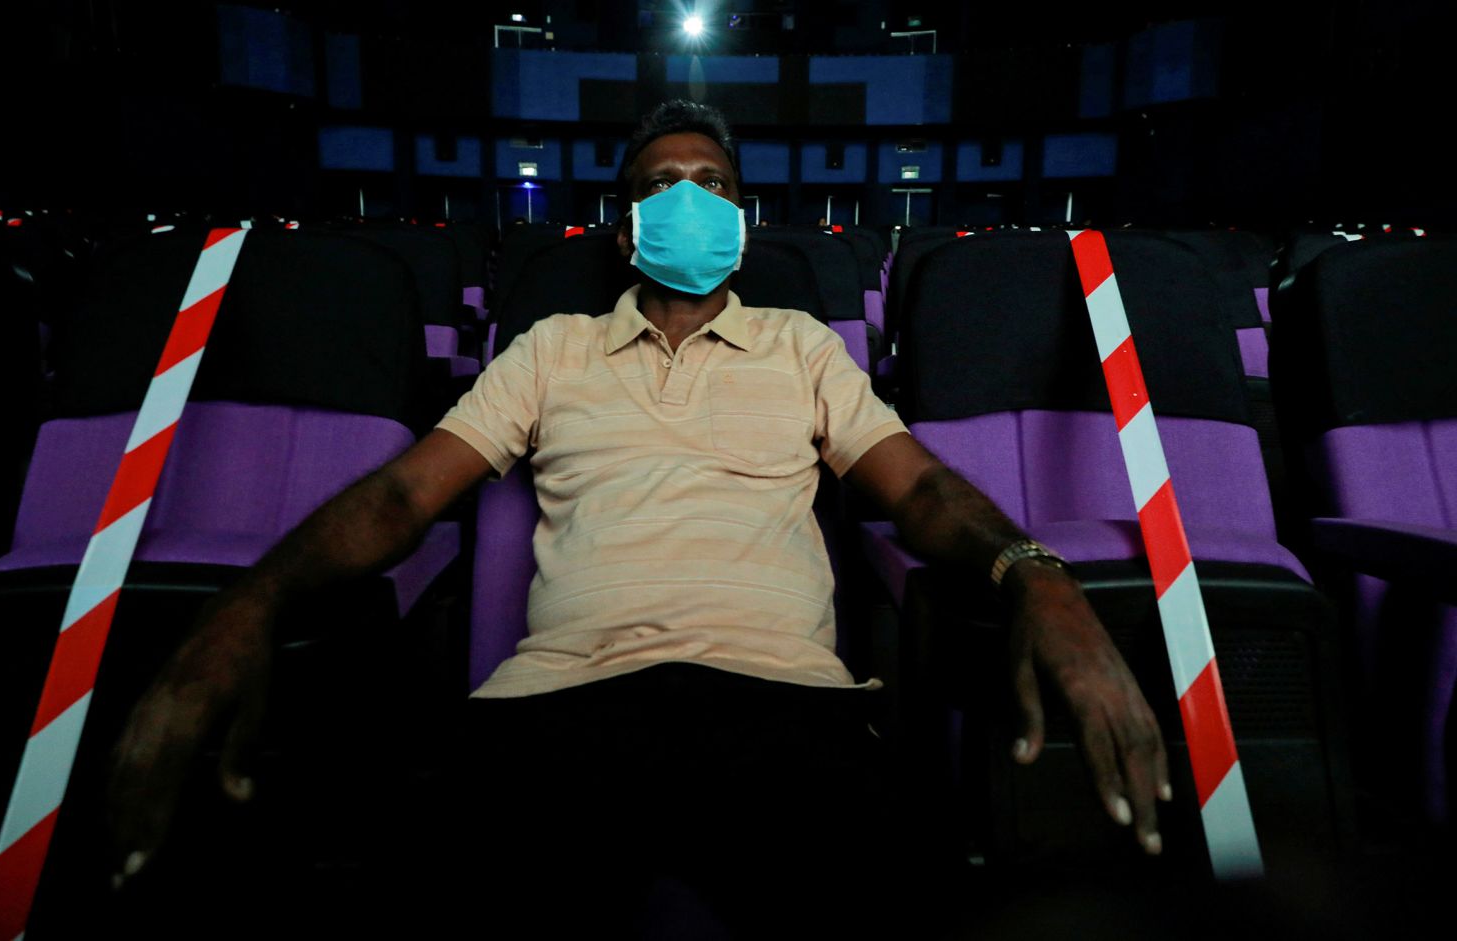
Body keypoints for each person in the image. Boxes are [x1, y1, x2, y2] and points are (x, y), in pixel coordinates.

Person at [107, 101, 1170, 931]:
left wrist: (1039, 575)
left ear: (742, 225)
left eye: (712, 185)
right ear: (625, 231)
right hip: (562, 702)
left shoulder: (803, 345)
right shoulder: (551, 347)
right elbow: (400, 493)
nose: (690, 201)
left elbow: (924, 489)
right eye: (663, 186)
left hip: (783, 706)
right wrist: (245, 604)